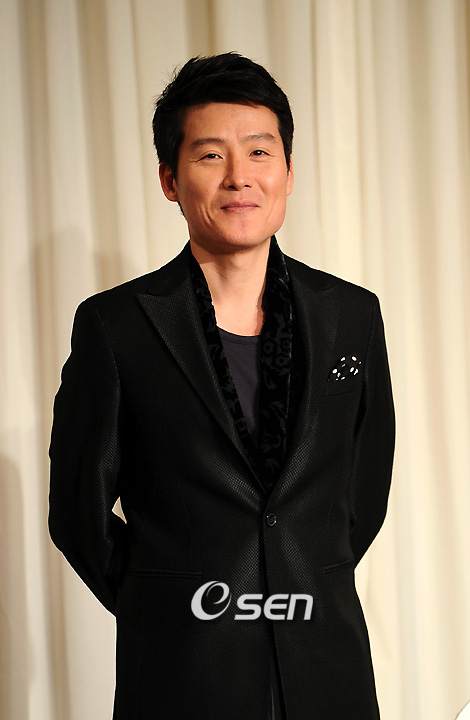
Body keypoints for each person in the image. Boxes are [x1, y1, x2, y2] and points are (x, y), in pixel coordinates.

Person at [49, 52, 395, 720]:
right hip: (183, 679)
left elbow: (364, 491)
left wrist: (295, 573)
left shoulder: (352, 316)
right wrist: (166, 604)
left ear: (288, 172)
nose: (240, 176)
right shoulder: (116, 327)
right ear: (170, 179)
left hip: (329, 674)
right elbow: (77, 513)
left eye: (260, 151)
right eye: (210, 155)